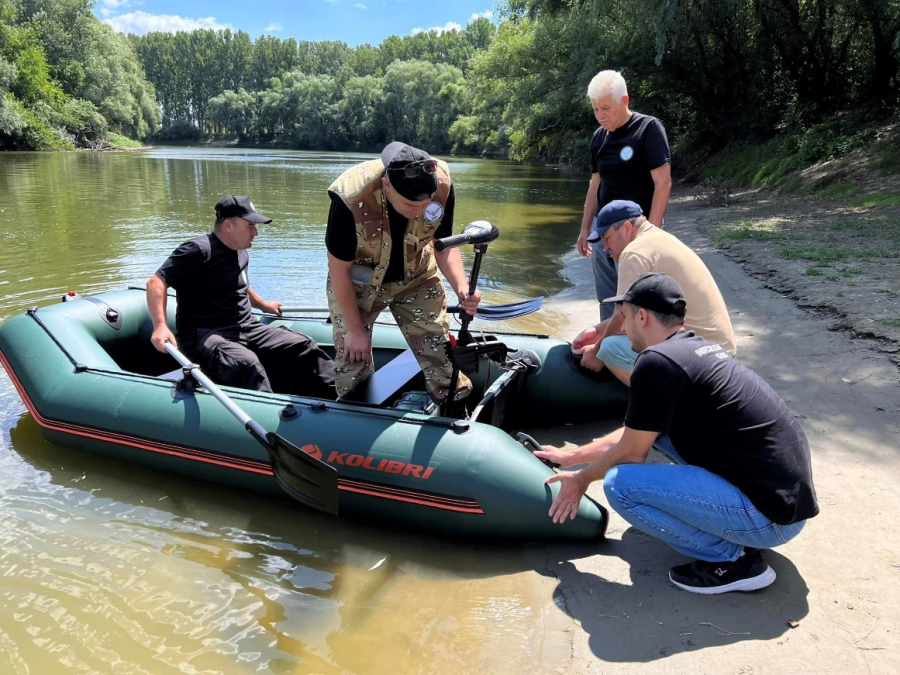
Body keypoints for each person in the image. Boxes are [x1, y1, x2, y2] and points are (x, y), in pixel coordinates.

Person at [536, 273, 818, 594]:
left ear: (642, 316)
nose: (624, 327)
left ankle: (733, 560)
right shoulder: (693, 350)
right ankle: (733, 531)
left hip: (770, 519)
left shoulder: (656, 362)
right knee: (662, 435)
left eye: (626, 317)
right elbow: (634, 436)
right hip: (785, 503)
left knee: (622, 486)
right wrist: (570, 457)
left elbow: (631, 453)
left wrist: (581, 480)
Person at [325, 141, 480, 402]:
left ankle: (451, 410)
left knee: (439, 352)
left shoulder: (441, 184)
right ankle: (356, 421)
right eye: (410, 205)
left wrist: (462, 288)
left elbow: (443, 245)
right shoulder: (350, 197)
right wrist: (354, 330)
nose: (419, 212)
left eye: (425, 204)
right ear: (387, 186)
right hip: (359, 285)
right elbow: (339, 270)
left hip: (417, 277)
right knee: (353, 360)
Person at [147, 195, 335, 398]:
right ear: (228, 225)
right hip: (205, 334)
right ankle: (270, 416)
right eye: (250, 226)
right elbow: (156, 282)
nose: (256, 232)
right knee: (247, 364)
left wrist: (263, 305)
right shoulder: (198, 250)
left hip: (246, 327)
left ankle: (344, 397)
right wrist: (160, 326)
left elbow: (242, 285)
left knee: (303, 345)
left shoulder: (241, 252)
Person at [572, 199, 736, 386]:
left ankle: (667, 404)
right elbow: (628, 314)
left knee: (610, 348)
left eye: (607, 239)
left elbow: (621, 316)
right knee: (629, 330)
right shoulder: (659, 237)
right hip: (721, 351)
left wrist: (596, 352)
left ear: (626, 227)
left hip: (700, 358)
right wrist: (596, 331)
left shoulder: (633, 253)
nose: (606, 248)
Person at [577, 70, 672, 320]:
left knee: (636, 294)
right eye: (596, 109)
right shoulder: (599, 137)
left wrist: (653, 232)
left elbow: (663, 182)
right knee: (607, 296)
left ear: (624, 100)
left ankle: (636, 349)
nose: (600, 115)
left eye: (605, 108)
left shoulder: (648, 128)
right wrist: (585, 228)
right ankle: (607, 342)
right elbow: (594, 185)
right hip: (602, 228)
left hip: (635, 229)